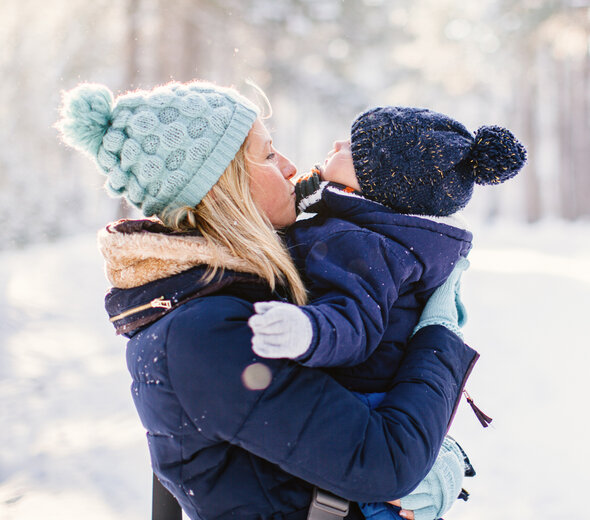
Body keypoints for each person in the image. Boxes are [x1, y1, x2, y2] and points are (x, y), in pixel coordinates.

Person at [57, 80, 478, 520]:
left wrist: (432, 447)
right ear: (223, 185)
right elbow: (384, 463)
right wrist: (438, 335)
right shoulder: (203, 332)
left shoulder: (238, 292)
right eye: (269, 155)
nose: (292, 167)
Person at [248, 106, 526, 518]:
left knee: (382, 506)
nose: (338, 145)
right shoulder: (362, 224)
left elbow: (353, 321)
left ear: (381, 182)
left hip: (365, 401)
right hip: (371, 396)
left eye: (353, 147)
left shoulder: (364, 243)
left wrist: (306, 331)